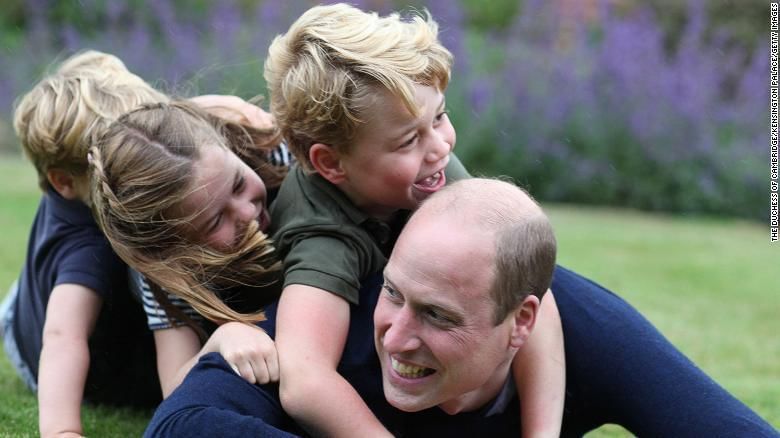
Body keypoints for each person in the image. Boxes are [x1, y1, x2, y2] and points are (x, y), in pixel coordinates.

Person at [145, 178, 778, 437]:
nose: (397, 337)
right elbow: (181, 425)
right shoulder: (337, 324)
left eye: (440, 316)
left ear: (521, 323)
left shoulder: (591, 334)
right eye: (394, 293)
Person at [263, 4, 565, 436]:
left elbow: (532, 289)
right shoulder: (321, 235)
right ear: (331, 163)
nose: (440, 145)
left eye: (439, 116)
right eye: (409, 140)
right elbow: (305, 381)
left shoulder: (427, 164)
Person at [1, 50, 167, 437]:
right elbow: (63, 339)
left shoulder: (77, 186)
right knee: (64, 303)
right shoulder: (88, 250)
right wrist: (63, 431)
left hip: (26, 304)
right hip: (36, 349)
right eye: (122, 166)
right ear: (64, 181)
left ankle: (25, 296)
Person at [89, 100, 290, 397]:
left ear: (228, 146)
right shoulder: (166, 274)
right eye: (215, 220)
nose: (247, 212)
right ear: (173, 249)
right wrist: (221, 338)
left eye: (237, 184)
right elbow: (173, 386)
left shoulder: (278, 155)